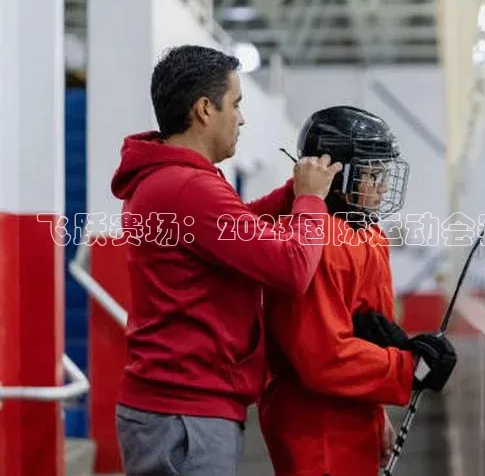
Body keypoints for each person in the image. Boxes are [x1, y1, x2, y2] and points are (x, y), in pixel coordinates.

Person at [110, 44, 342, 476]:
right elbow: (292, 270)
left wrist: (292, 193)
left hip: (175, 411)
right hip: (186, 417)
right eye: (235, 104)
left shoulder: (168, 180)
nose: (241, 117)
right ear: (204, 109)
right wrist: (310, 201)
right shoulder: (187, 188)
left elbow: (233, 228)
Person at [257, 105, 458, 476]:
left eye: (384, 173)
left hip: (354, 418)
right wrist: (406, 368)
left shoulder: (370, 236)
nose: (383, 187)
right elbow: (322, 359)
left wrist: (377, 409)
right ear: (337, 175)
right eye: (373, 174)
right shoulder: (315, 241)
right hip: (316, 429)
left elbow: (369, 334)